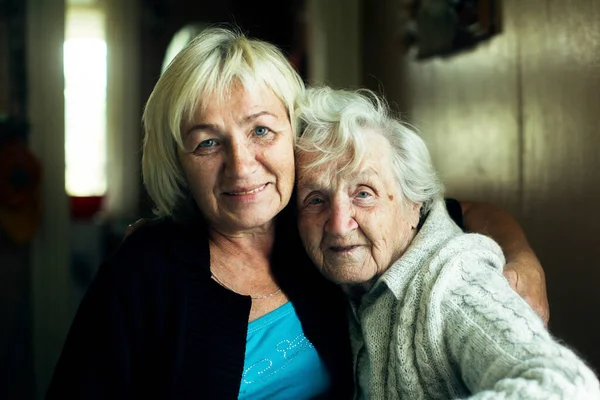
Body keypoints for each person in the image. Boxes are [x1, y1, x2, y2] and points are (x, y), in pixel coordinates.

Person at [47, 27, 547, 399]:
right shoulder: (143, 273)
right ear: (178, 161)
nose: (241, 167)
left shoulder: (318, 227)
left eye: (261, 130)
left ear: (292, 133)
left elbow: (454, 209)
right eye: (207, 143)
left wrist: (523, 259)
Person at [294, 86, 600, 399]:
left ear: (414, 204)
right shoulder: (342, 282)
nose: (338, 224)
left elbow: (564, 386)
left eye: (363, 194)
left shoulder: (454, 281)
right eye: (315, 199)